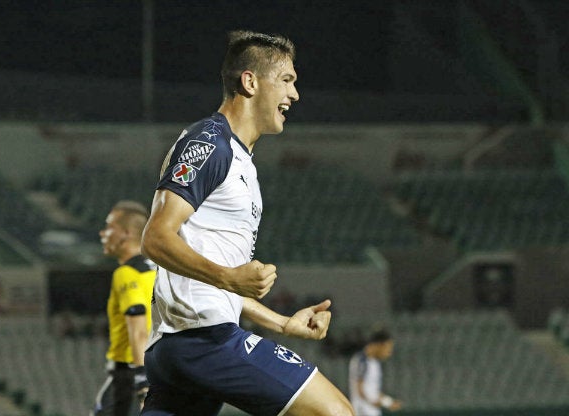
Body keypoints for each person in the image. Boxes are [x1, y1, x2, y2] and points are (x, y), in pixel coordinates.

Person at [140, 30, 354, 416]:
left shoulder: (240, 160)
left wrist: (282, 322)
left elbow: (216, 276)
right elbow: (155, 238)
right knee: (335, 412)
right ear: (250, 81)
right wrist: (228, 278)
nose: (295, 95)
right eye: (287, 80)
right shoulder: (209, 143)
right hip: (203, 340)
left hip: (182, 346)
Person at [92, 200, 157, 416]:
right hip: (162, 366)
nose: (103, 233)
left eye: (109, 227)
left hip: (130, 373)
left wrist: (141, 380)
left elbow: (138, 330)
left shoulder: (127, 274)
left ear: (126, 233)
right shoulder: (159, 271)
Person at [348, 328, 402, 416]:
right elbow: (359, 390)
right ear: (379, 345)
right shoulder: (361, 360)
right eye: (388, 348)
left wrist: (388, 402)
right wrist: (375, 402)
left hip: (372, 411)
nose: (389, 353)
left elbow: (374, 391)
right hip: (362, 411)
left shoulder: (375, 363)